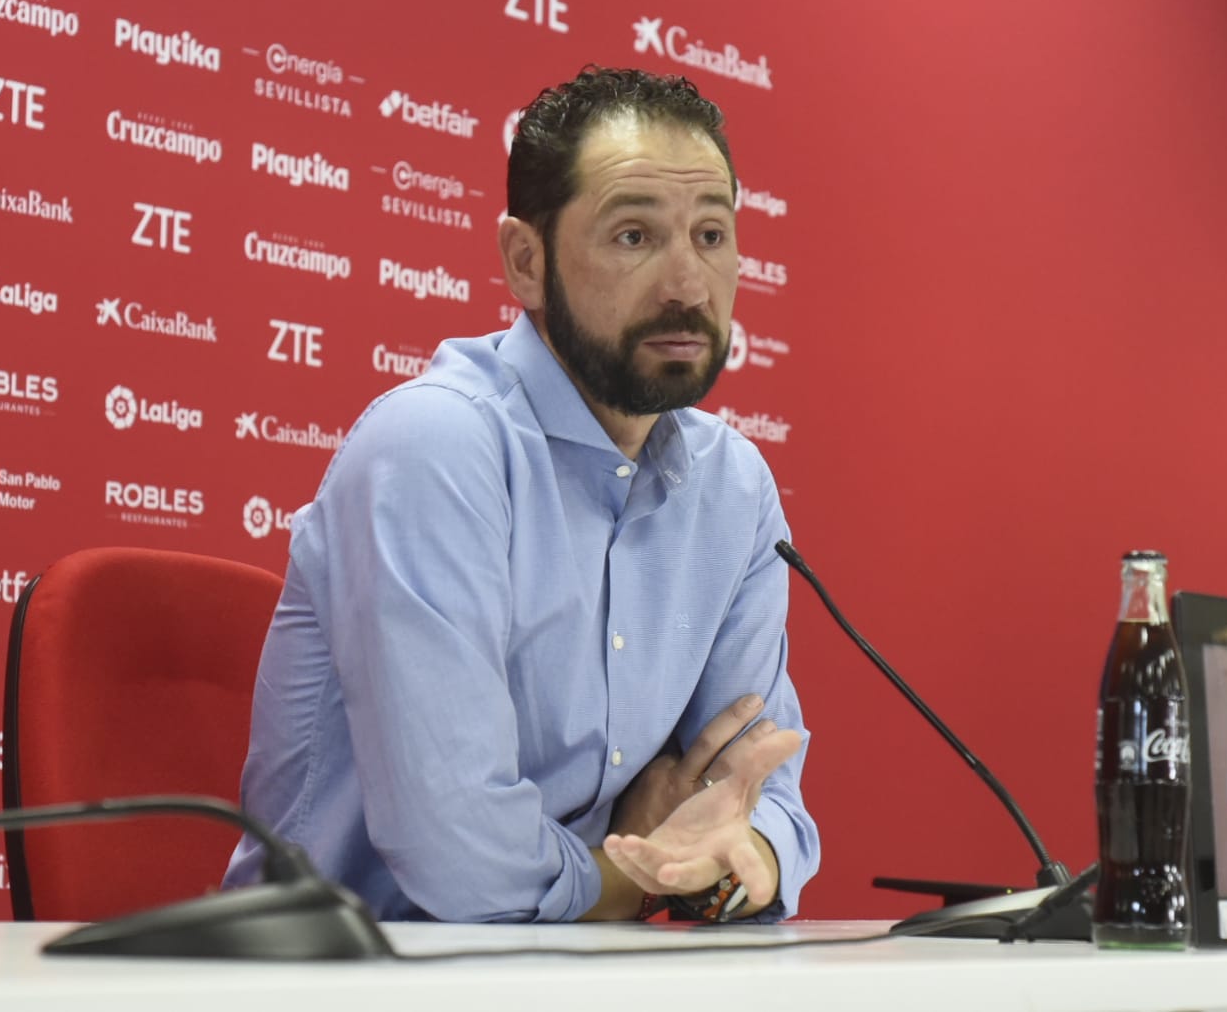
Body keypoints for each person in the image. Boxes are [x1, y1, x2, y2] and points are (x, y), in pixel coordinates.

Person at [223, 66, 820, 924]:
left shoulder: (734, 491)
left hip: (567, 974)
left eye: (713, 235)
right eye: (633, 237)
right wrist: (630, 879)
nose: (689, 284)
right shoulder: (435, 446)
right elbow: (460, 861)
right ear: (525, 261)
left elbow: (763, 794)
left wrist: (740, 857)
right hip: (349, 978)